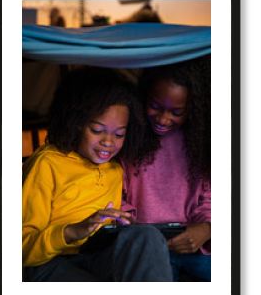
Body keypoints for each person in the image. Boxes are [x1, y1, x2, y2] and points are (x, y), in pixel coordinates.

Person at [23, 67, 173, 282]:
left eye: (119, 134)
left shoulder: (114, 169)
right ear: (75, 123)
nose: (108, 142)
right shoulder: (48, 163)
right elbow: (20, 249)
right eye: (97, 130)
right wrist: (72, 232)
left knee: (146, 236)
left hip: (94, 256)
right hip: (48, 263)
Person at [124, 57, 211, 281]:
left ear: (192, 109)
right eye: (155, 106)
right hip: (148, 249)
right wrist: (128, 223)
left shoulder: (201, 142)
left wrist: (206, 229)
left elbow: (210, 195)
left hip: (195, 247)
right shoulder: (127, 138)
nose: (163, 119)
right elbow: (115, 192)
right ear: (144, 97)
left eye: (176, 112)